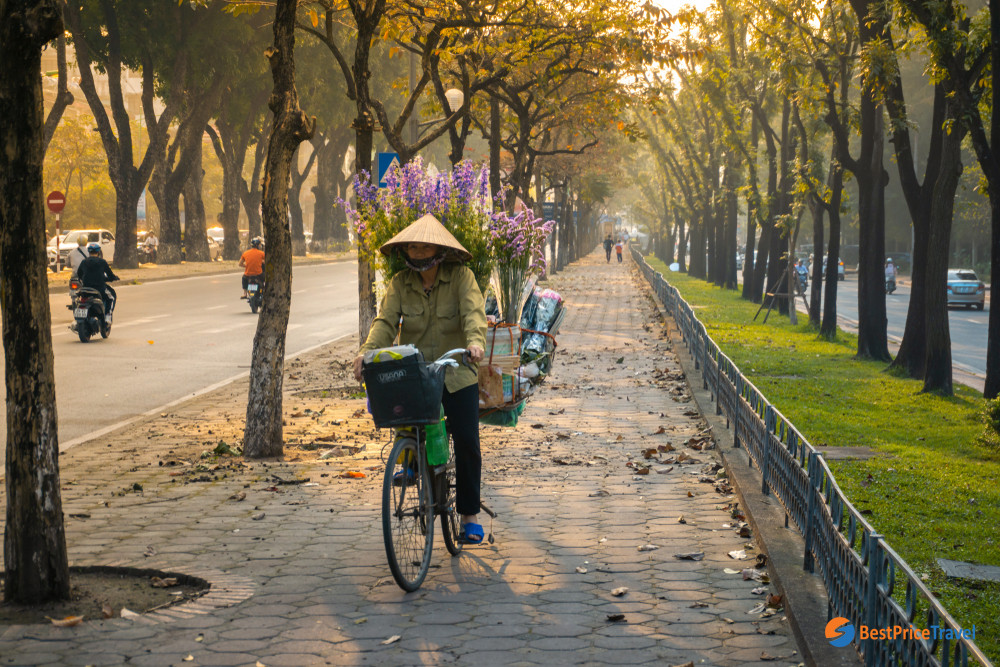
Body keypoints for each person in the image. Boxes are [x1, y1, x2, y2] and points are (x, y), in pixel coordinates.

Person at [352, 214, 488, 545]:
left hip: (456, 371)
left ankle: (469, 515)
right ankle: (410, 458)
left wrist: (475, 343)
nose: (418, 251)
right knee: (403, 414)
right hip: (417, 372)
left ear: (439, 249)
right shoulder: (400, 283)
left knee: (468, 441)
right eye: (412, 246)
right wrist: (366, 352)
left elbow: (473, 314)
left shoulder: (461, 277)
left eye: (424, 245)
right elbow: (385, 322)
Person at [77, 242, 119, 320]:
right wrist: (114, 278)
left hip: (86, 289)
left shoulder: (84, 262)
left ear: (89, 252)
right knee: (111, 298)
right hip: (100, 289)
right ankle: (108, 316)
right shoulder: (102, 262)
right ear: (98, 252)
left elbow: (79, 273)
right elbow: (110, 274)